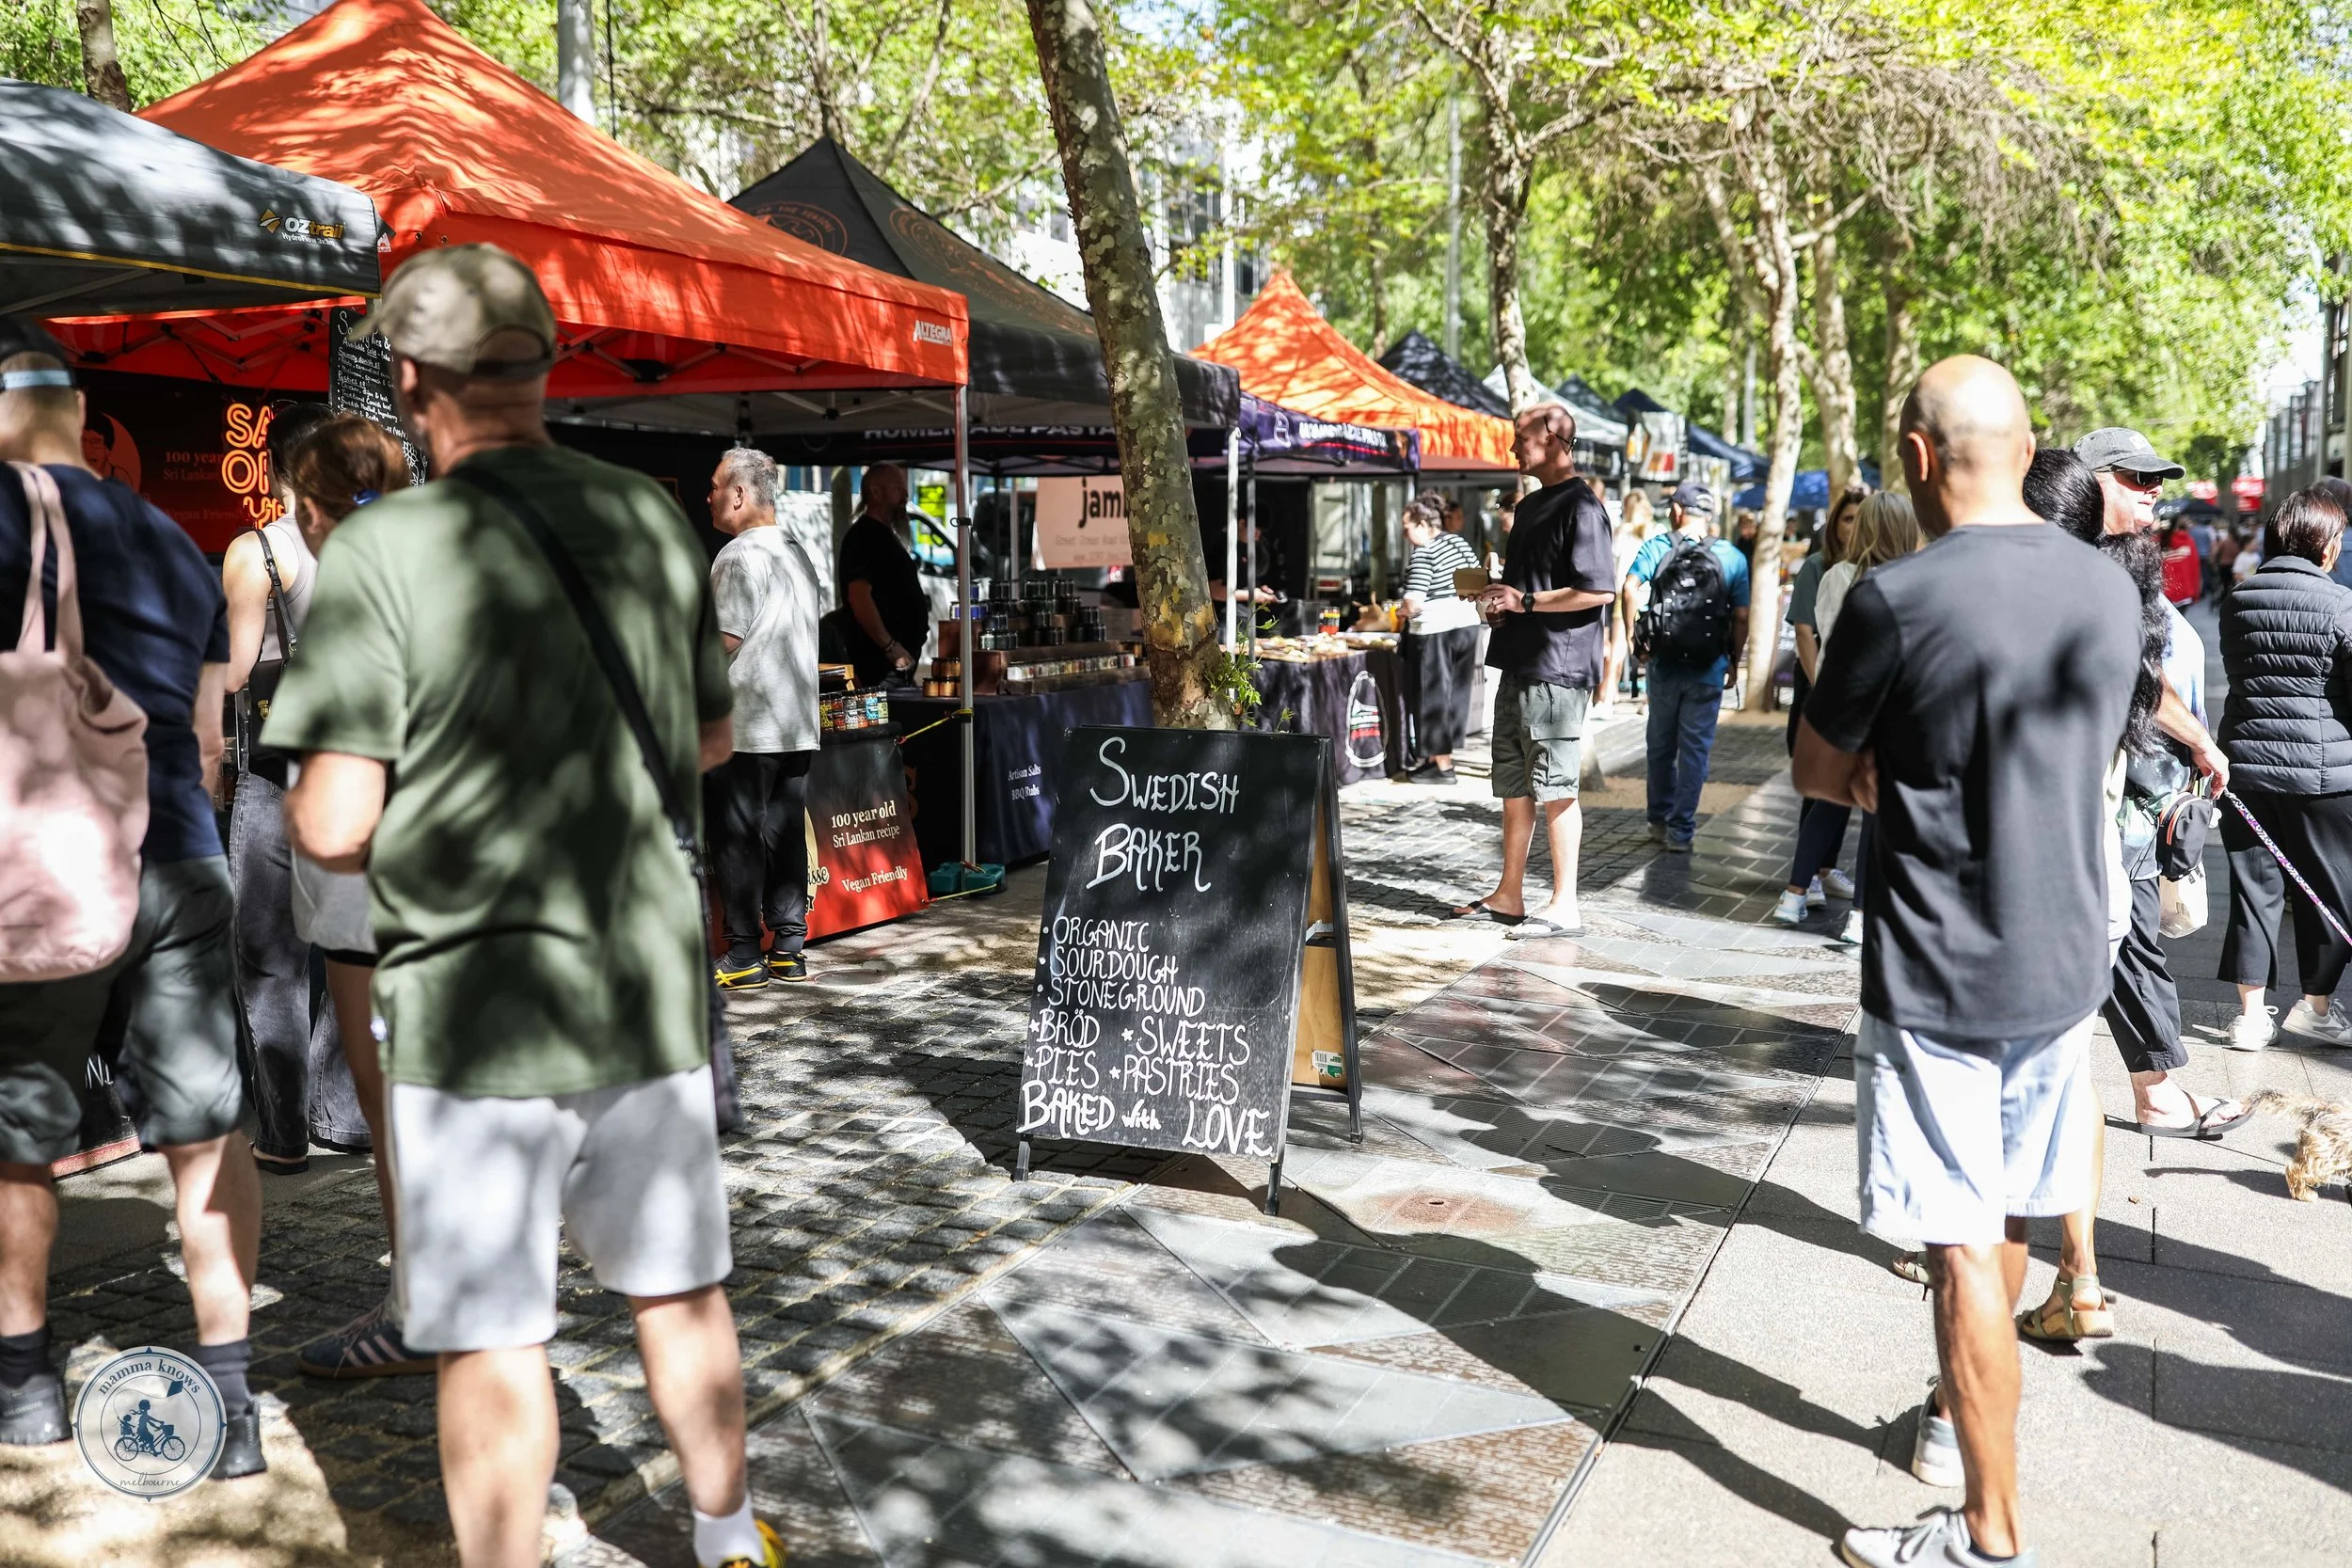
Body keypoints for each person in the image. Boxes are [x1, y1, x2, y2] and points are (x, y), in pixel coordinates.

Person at [262, 246, 781, 1568]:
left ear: (413, 380)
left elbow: (329, 821)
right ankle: (731, 1539)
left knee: (492, 1335)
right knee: (682, 1291)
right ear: (548, 366)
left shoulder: (389, 546)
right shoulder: (650, 519)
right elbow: (711, 741)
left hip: (474, 1005)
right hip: (643, 983)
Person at [1796, 356, 2140, 1568]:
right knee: (2002, 1214)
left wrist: (1886, 771)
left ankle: (1987, 1527)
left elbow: (1816, 769)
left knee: (1955, 1249)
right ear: (2029, 447)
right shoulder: (2109, 591)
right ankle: (1954, 1431)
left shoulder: (1893, 598)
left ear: (1915, 456)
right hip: (2063, 958)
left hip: (1938, 967)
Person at [0, 319, 267, 1478]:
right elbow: (207, 735)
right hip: (183, 856)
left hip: (46, 871)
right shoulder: (171, 538)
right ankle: (232, 1402)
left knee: (18, 1129)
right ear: (79, 411)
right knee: (205, 1129)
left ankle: (24, 1388)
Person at [269, 413, 436, 1381]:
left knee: (396, 1110)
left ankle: (420, 1304)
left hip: (370, 902)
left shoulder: (353, 596)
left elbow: (331, 800)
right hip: (447, 895)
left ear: (312, 509)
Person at [222, 402, 365, 1175]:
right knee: (350, 946)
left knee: (270, 955)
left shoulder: (257, 552)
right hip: (361, 772)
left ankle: (282, 1135)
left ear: (273, 467)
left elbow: (236, 672)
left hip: (277, 772)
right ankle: (343, 1115)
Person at [1452, 404, 1616, 940]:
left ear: (1553, 438)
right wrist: (1498, 600)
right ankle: (1510, 894)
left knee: (1556, 785)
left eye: (1520, 438)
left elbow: (1599, 590)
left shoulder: (1583, 507)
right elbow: (1529, 589)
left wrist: (1523, 601)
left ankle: (1565, 904)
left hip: (1557, 669)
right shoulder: (1529, 506)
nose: (1512, 448)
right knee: (1515, 783)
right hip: (1518, 662)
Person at [2215, 486, 2352, 1051]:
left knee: (2253, 889)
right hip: (2323, 772)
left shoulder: (2238, 599)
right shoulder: (2340, 604)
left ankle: (2250, 1017)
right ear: (2325, 544)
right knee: (2330, 889)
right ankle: (2315, 1007)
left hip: (2244, 766)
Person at [706, 446, 821, 990]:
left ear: (739, 494)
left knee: (738, 838)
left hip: (747, 725)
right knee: (784, 835)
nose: (708, 497)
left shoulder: (737, 556)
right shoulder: (796, 550)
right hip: (795, 722)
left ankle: (745, 953)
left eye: (714, 487)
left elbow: (723, 639)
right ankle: (789, 949)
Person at [1624, 481, 1751, 853]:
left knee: (1660, 745)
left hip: (1663, 663)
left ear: (1678, 511)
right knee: (1695, 750)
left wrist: (1635, 640)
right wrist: (1733, 660)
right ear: (1709, 515)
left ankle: (1658, 820)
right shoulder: (1731, 556)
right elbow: (1742, 615)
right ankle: (1682, 831)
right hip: (1708, 667)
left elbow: (1629, 588)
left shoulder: (1658, 546)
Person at [1774, 484, 1866, 925]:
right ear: (1835, 524)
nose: (1854, 526)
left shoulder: (1873, 567)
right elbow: (1804, 632)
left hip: (1853, 695)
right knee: (1818, 787)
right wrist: (1821, 686)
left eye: (1861, 518)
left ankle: (1824, 869)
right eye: (1847, 518)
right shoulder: (1820, 567)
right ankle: (1806, 875)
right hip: (1820, 689)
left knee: (1841, 791)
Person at [1396, 491, 1483, 784]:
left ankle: (1441, 766)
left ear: (1422, 524)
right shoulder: (1458, 542)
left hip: (1435, 631)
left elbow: (1414, 603)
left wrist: (1399, 611)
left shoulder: (1423, 553)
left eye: (1407, 527)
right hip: (1467, 626)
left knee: (1431, 696)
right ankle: (1442, 759)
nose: (1405, 534)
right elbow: (1477, 581)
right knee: (1455, 694)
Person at [836, 462, 929, 688]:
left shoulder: (884, 535)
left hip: (895, 665)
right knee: (884, 711)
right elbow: (859, 596)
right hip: (879, 667)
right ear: (876, 492)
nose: (905, 495)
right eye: (898, 489)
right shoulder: (864, 537)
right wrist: (890, 647)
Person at [1606, 488, 1653, 705]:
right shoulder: (1653, 531)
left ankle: (1609, 696)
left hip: (1622, 594)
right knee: (1650, 646)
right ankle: (1648, 699)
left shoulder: (1621, 531)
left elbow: (1612, 560)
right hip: (1647, 595)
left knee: (1618, 647)